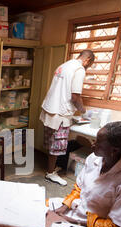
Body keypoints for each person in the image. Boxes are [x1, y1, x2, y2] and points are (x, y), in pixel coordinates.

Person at [40, 50, 95, 186]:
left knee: (51, 143)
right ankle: (50, 173)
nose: (87, 68)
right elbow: (75, 96)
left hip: (50, 109)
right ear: (87, 60)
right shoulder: (79, 69)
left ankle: (50, 168)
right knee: (57, 145)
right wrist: (83, 111)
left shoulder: (64, 65)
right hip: (60, 113)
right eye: (89, 65)